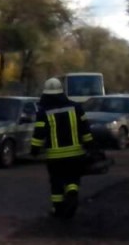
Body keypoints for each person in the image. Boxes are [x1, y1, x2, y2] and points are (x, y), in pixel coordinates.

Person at [30, 77, 95, 218]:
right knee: (73, 178)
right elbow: (85, 129)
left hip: (55, 157)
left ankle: (58, 209)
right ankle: (72, 193)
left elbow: (39, 134)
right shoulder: (76, 108)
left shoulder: (44, 112)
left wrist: (34, 150)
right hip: (76, 154)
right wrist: (91, 147)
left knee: (57, 182)